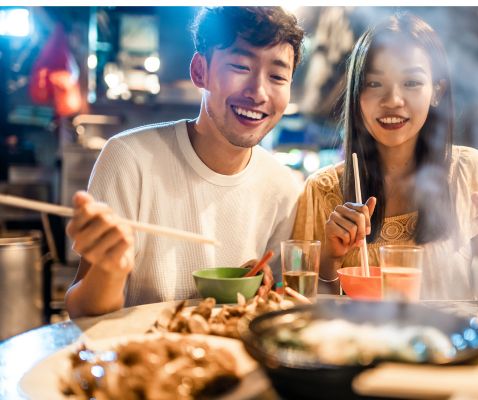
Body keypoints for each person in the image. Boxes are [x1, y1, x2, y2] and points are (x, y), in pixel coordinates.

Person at [65, 7, 304, 318]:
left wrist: (261, 287)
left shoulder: (284, 187)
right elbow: (81, 310)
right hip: (144, 356)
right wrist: (110, 272)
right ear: (200, 71)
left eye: (277, 76)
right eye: (240, 66)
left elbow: (271, 308)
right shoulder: (129, 158)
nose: (258, 92)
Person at [292, 12, 478, 302]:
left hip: (444, 343)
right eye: (373, 83)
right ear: (357, 95)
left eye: (412, 83)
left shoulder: (469, 172)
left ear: (437, 91)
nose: (393, 100)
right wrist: (330, 261)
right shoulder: (322, 190)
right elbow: (299, 304)